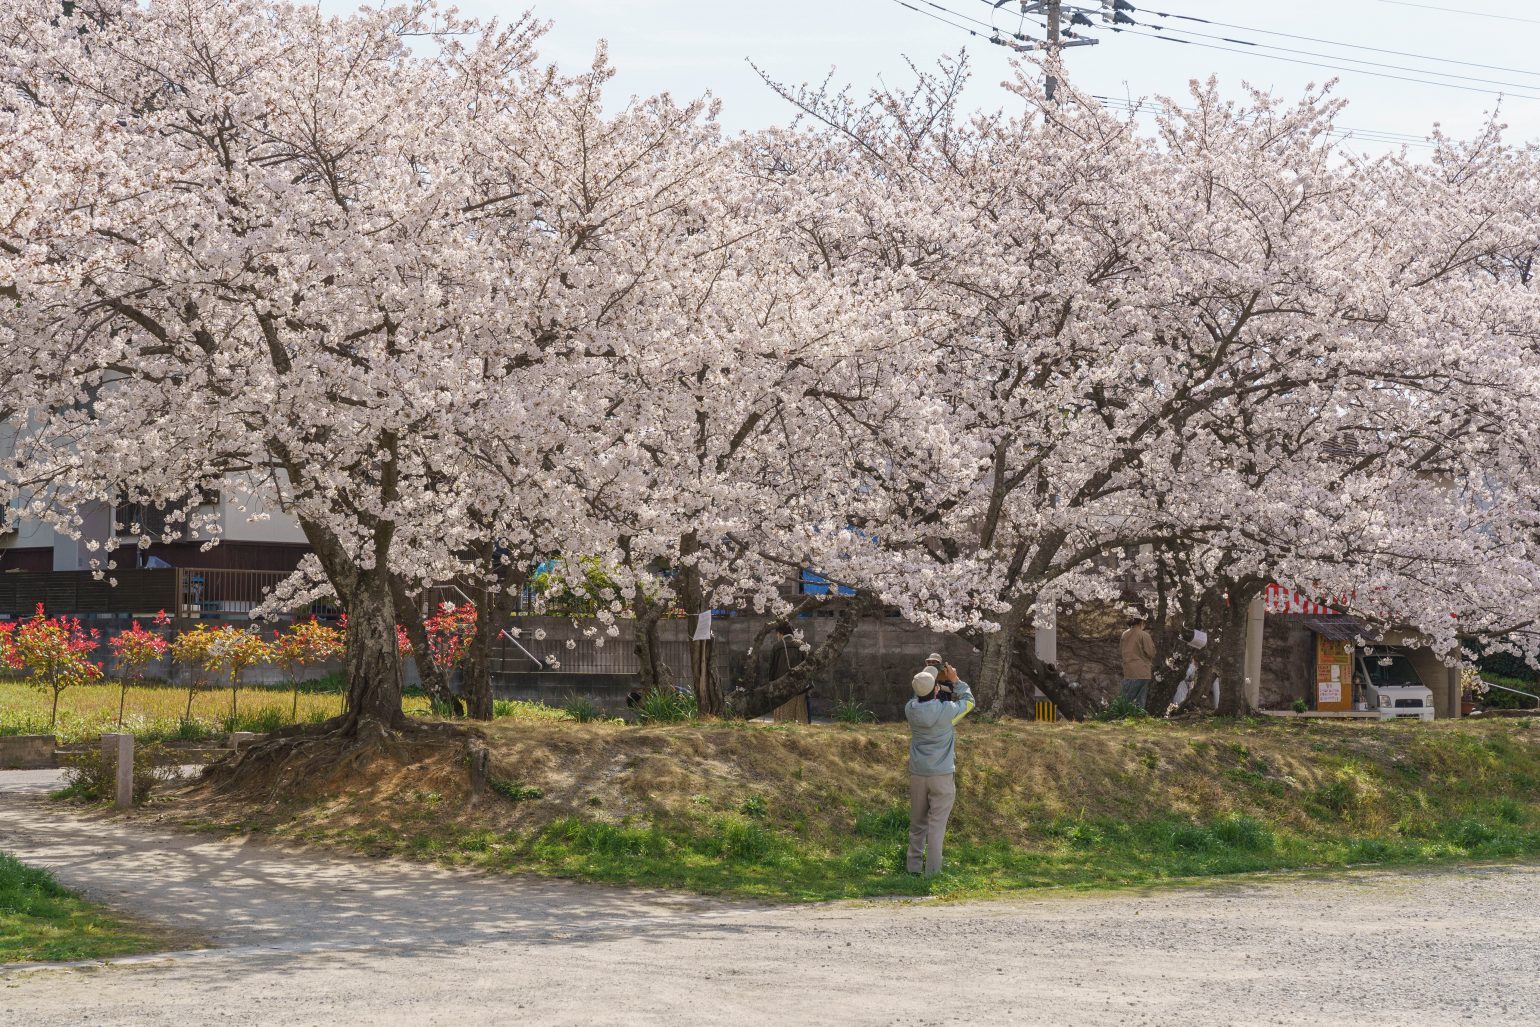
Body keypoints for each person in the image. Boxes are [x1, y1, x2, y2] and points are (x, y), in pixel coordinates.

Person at [905, 662, 975, 876]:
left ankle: (913, 868)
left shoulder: (910, 709)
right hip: (942, 774)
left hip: (918, 773)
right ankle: (933, 872)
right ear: (936, 689)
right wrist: (955, 681)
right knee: (937, 826)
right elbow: (969, 702)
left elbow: (920, 694)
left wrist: (927, 677)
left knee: (917, 823)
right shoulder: (946, 712)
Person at [767, 623, 809, 724]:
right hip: (799, 688)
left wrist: (771, 686)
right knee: (801, 716)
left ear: (781, 633)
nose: (777, 637)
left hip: (782, 688)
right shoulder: (802, 645)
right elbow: (808, 665)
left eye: (777, 634)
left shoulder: (777, 647)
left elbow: (772, 669)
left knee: (783, 719)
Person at [1119, 613, 1156, 710]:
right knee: (1140, 699)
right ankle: (1137, 718)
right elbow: (1151, 652)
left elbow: (1121, 650)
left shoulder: (1124, 634)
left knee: (1126, 697)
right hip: (1141, 670)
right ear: (1141, 622)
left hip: (1128, 669)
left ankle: (1123, 716)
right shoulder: (1144, 635)